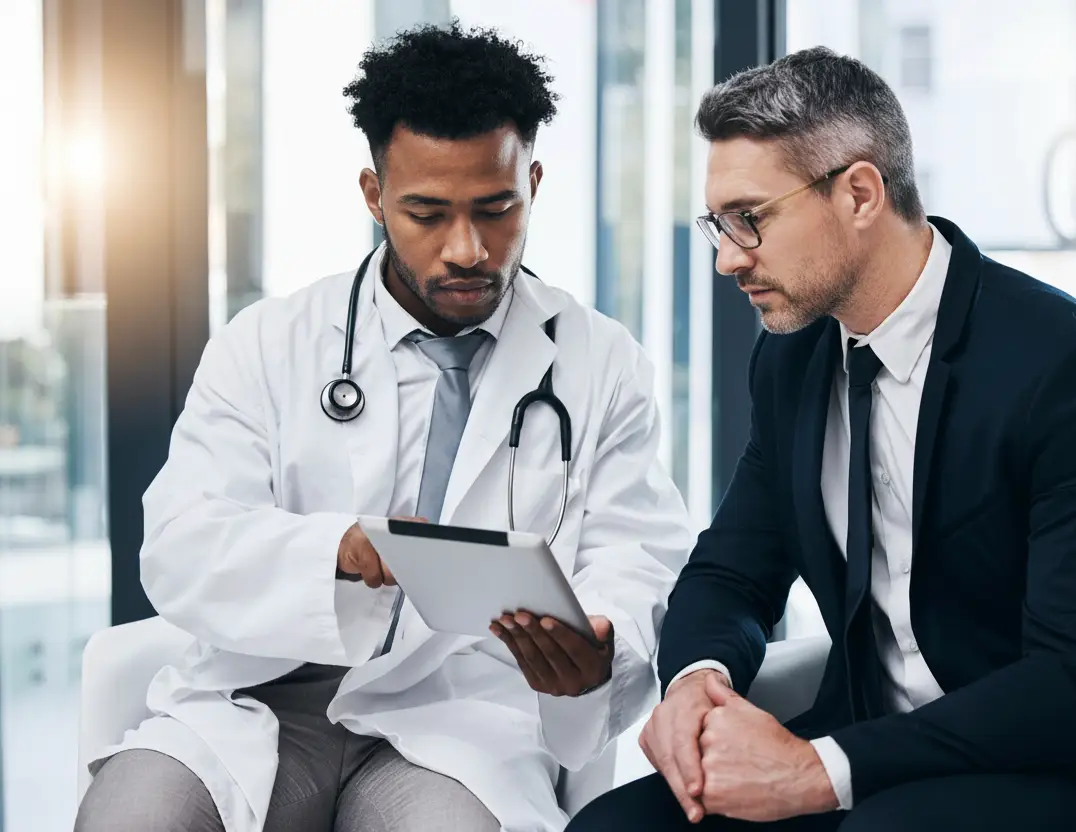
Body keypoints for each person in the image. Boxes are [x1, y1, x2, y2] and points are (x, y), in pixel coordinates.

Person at [569, 47, 1076, 832]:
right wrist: (695, 681)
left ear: (860, 194)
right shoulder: (792, 357)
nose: (728, 258)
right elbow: (733, 571)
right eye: (717, 225)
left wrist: (819, 770)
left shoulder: (1073, 374)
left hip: (1059, 769)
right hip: (871, 747)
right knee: (612, 827)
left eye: (751, 220)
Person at [75, 23, 691, 832]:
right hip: (258, 697)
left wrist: (603, 647)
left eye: (496, 208)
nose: (466, 249)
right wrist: (339, 552)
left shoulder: (600, 362)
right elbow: (181, 541)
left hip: (462, 716)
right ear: (374, 196)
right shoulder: (270, 343)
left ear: (533, 182)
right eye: (427, 213)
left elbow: (638, 557)